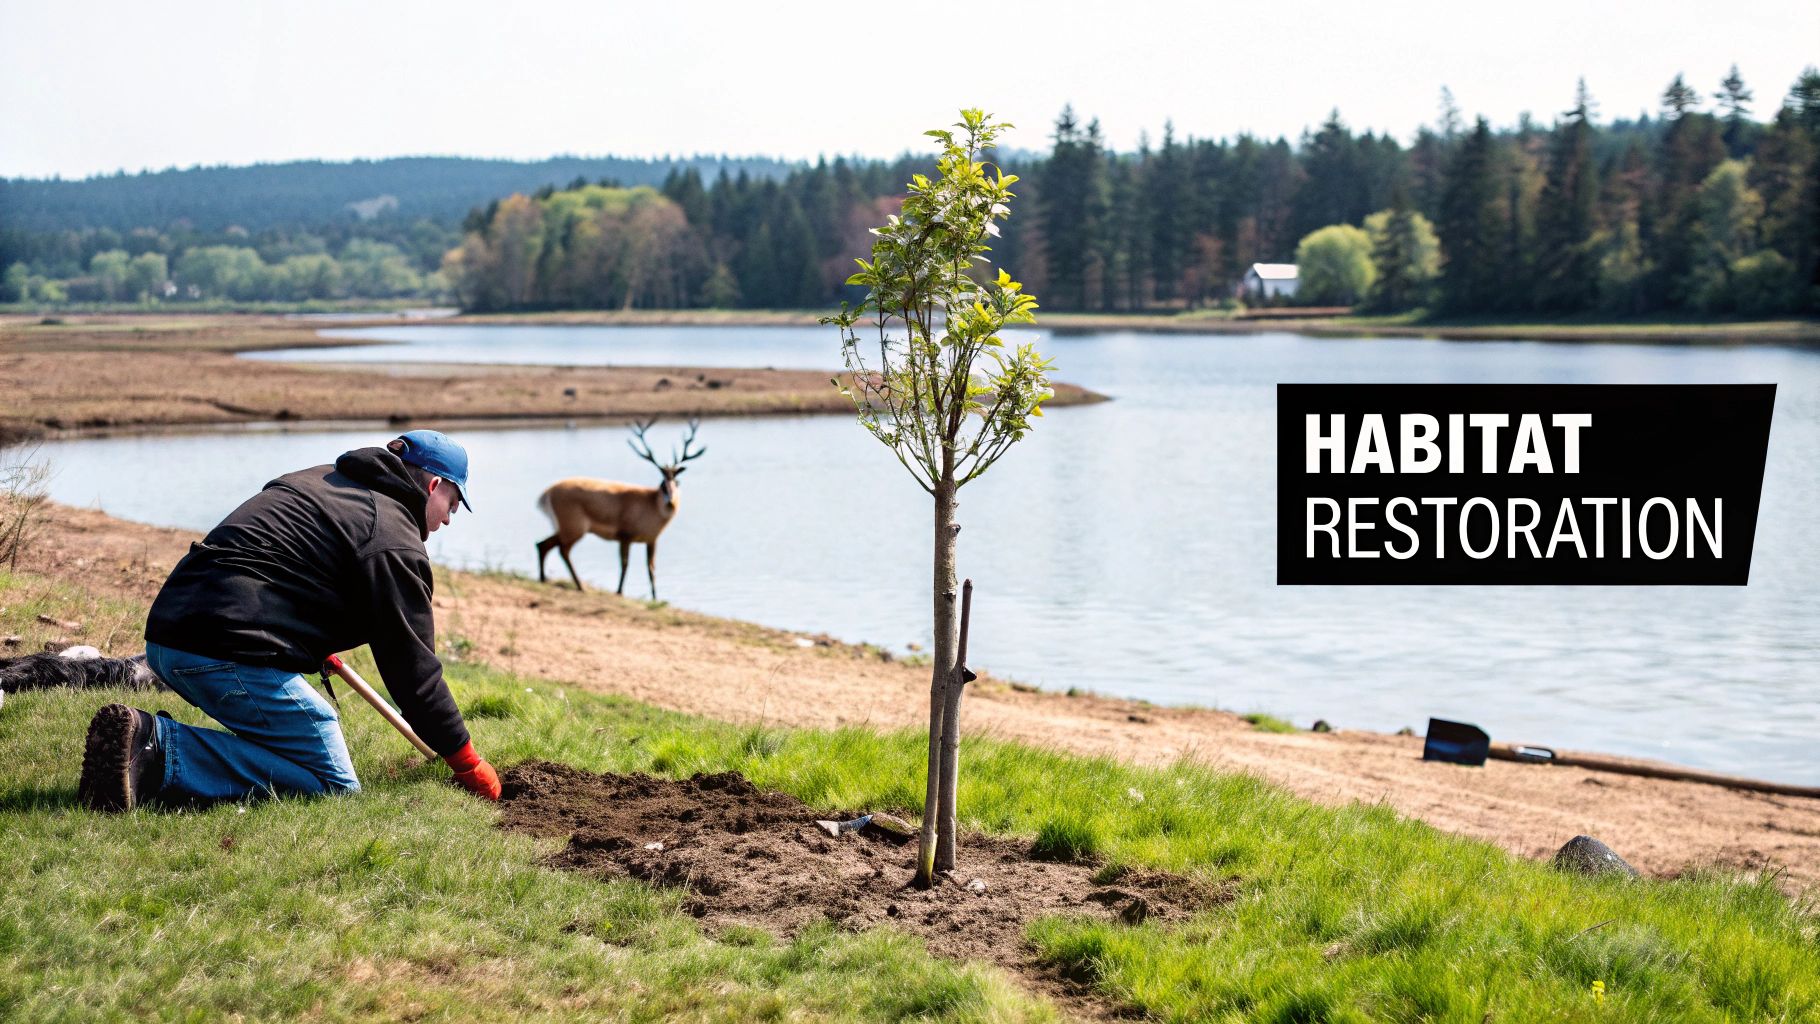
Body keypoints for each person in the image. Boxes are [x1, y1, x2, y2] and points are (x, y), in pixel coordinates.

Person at [76, 430, 501, 811]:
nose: (447, 518)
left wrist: (309, 640)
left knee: (299, 742)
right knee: (332, 785)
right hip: (220, 647)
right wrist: (466, 762)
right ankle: (156, 749)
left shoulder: (320, 479)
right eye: (453, 504)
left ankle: (166, 751)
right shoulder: (393, 540)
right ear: (434, 485)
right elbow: (413, 670)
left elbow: (286, 565)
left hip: (169, 635)